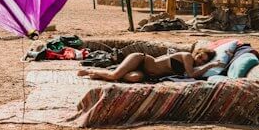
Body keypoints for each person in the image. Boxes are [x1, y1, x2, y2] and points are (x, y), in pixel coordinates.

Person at [77, 46, 218, 82]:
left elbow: (193, 74)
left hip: (145, 73)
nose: (198, 58)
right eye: (199, 55)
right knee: (115, 75)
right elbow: (191, 74)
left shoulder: (194, 66)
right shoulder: (187, 56)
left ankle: (100, 75)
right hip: (142, 60)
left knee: (134, 78)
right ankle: (91, 71)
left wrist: (204, 67)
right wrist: (210, 66)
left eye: (202, 60)